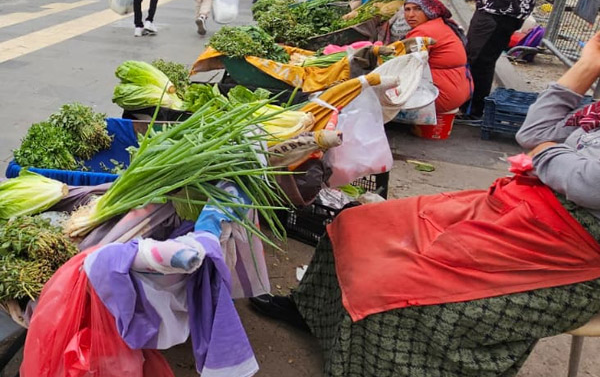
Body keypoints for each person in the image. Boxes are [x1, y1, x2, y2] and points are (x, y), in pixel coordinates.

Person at [251, 30, 600, 377]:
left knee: (397, 292)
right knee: (357, 223)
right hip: (522, 206)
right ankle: (310, 310)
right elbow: (534, 134)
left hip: (570, 253)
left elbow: (586, 182)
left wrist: (544, 152)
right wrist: (585, 67)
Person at [402, 0, 471, 113]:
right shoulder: (441, 23)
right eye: (407, 10)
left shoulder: (424, 31)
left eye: (417, 9)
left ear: (429, 10)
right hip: (461, 90)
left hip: (443, 95)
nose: (410, 15)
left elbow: (404, 64)